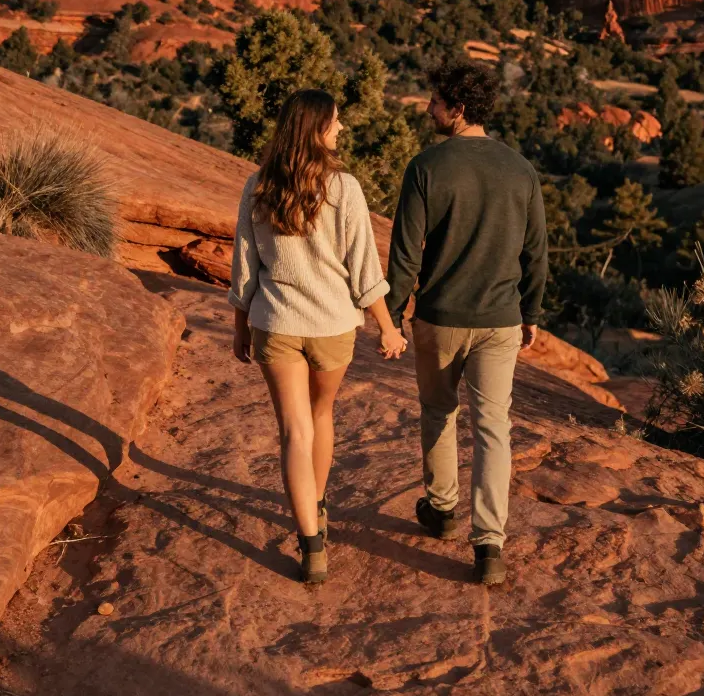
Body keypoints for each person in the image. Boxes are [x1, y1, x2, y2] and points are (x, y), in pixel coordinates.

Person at [229, 89, 407, 584]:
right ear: (317, 128)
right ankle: (319, 504)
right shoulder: (343, 187)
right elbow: (363, 268)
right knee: (321, 414)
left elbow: (245, 266)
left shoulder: (258, 185)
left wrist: (240, 326)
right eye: (335, 121)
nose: (341, 129)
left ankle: (311, 545)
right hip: (331, 326)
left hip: (275, 323)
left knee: (293, 431)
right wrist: (388, 327)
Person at [386, 60, 547, 586]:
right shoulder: (520, 169)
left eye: (434, 101)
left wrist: (390, 314)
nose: (428, 108)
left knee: (438, 410)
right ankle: (490, 546)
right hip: (501, 320)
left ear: (457, 109)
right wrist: (532, 312)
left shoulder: (426, 166)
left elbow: (406, 254)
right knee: (493, 426)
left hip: (440, 317)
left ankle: (441, 510)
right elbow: (536, 254)